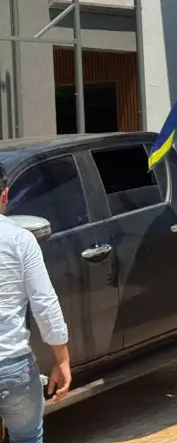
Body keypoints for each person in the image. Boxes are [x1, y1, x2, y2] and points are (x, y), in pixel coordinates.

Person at [0, 165, 72, 443]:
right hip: (13, 367)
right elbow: (44, 303)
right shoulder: (20, 240)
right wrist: (62, 360)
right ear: (5, 194)